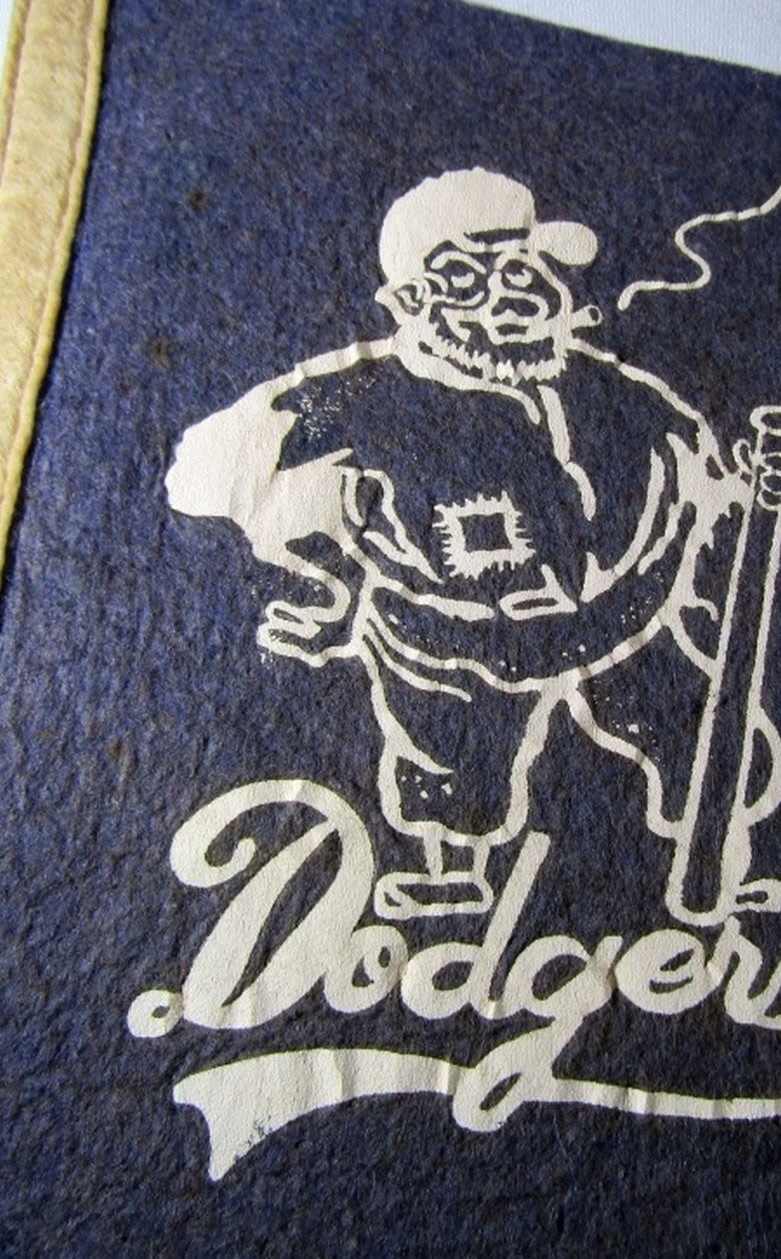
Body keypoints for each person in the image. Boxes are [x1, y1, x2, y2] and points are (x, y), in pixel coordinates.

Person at [166, 167, 751, 920]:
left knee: (686, 720)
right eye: (473, 279)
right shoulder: (363, 395)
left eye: (526, 271)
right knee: (448, 750)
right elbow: (204, 473)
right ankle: (451, 875)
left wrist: (743, 484)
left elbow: (699, 462)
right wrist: (325, 578)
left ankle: (714, 844)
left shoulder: (611, 390)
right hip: (448, 634)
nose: (513, 295)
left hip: (620, 613)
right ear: (412, 302)